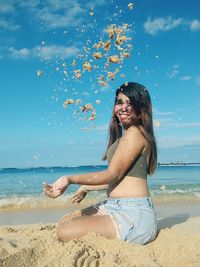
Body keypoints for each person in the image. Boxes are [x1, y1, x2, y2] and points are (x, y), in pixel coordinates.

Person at [44, 82, 158, 245]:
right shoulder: (125, 137)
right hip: (114, 205)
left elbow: (113, 174)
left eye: (130, 103)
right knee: (66, 220)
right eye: (119, 102)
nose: (124, 107)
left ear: (142, 108)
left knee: (65, 230)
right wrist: (86, 188)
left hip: (133, 213)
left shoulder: (135, 133)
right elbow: (121, 179)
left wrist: (69, 179)